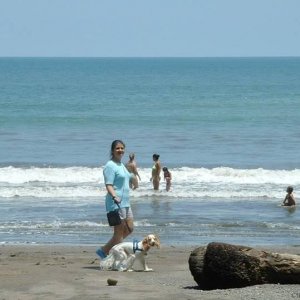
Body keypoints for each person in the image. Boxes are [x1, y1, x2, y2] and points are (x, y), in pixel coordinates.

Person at [96, 140, 134, 259]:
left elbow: (128, 181)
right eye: (117, 148)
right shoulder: (110, 165)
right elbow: (108, 184)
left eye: (122, 148)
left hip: (126, 202)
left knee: (130, 228)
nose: (120, 150)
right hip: (115, 203)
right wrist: (114, 196)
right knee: (118, 234)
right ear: (112, 150)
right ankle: (118, 256)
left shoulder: (122, 165)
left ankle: (104, 250)